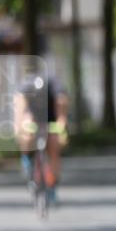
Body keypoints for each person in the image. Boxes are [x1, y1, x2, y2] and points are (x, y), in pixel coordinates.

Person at [14, 73, 69, 204]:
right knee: (27, 133)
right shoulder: (25, 91)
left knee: (54, 144)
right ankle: (27, 158)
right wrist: (20, 130)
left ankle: (52, 183)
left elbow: (61, 118)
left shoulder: (57, 91)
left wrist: (62, 132)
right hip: (31, 115)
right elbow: (19, 116)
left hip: (51, 116)